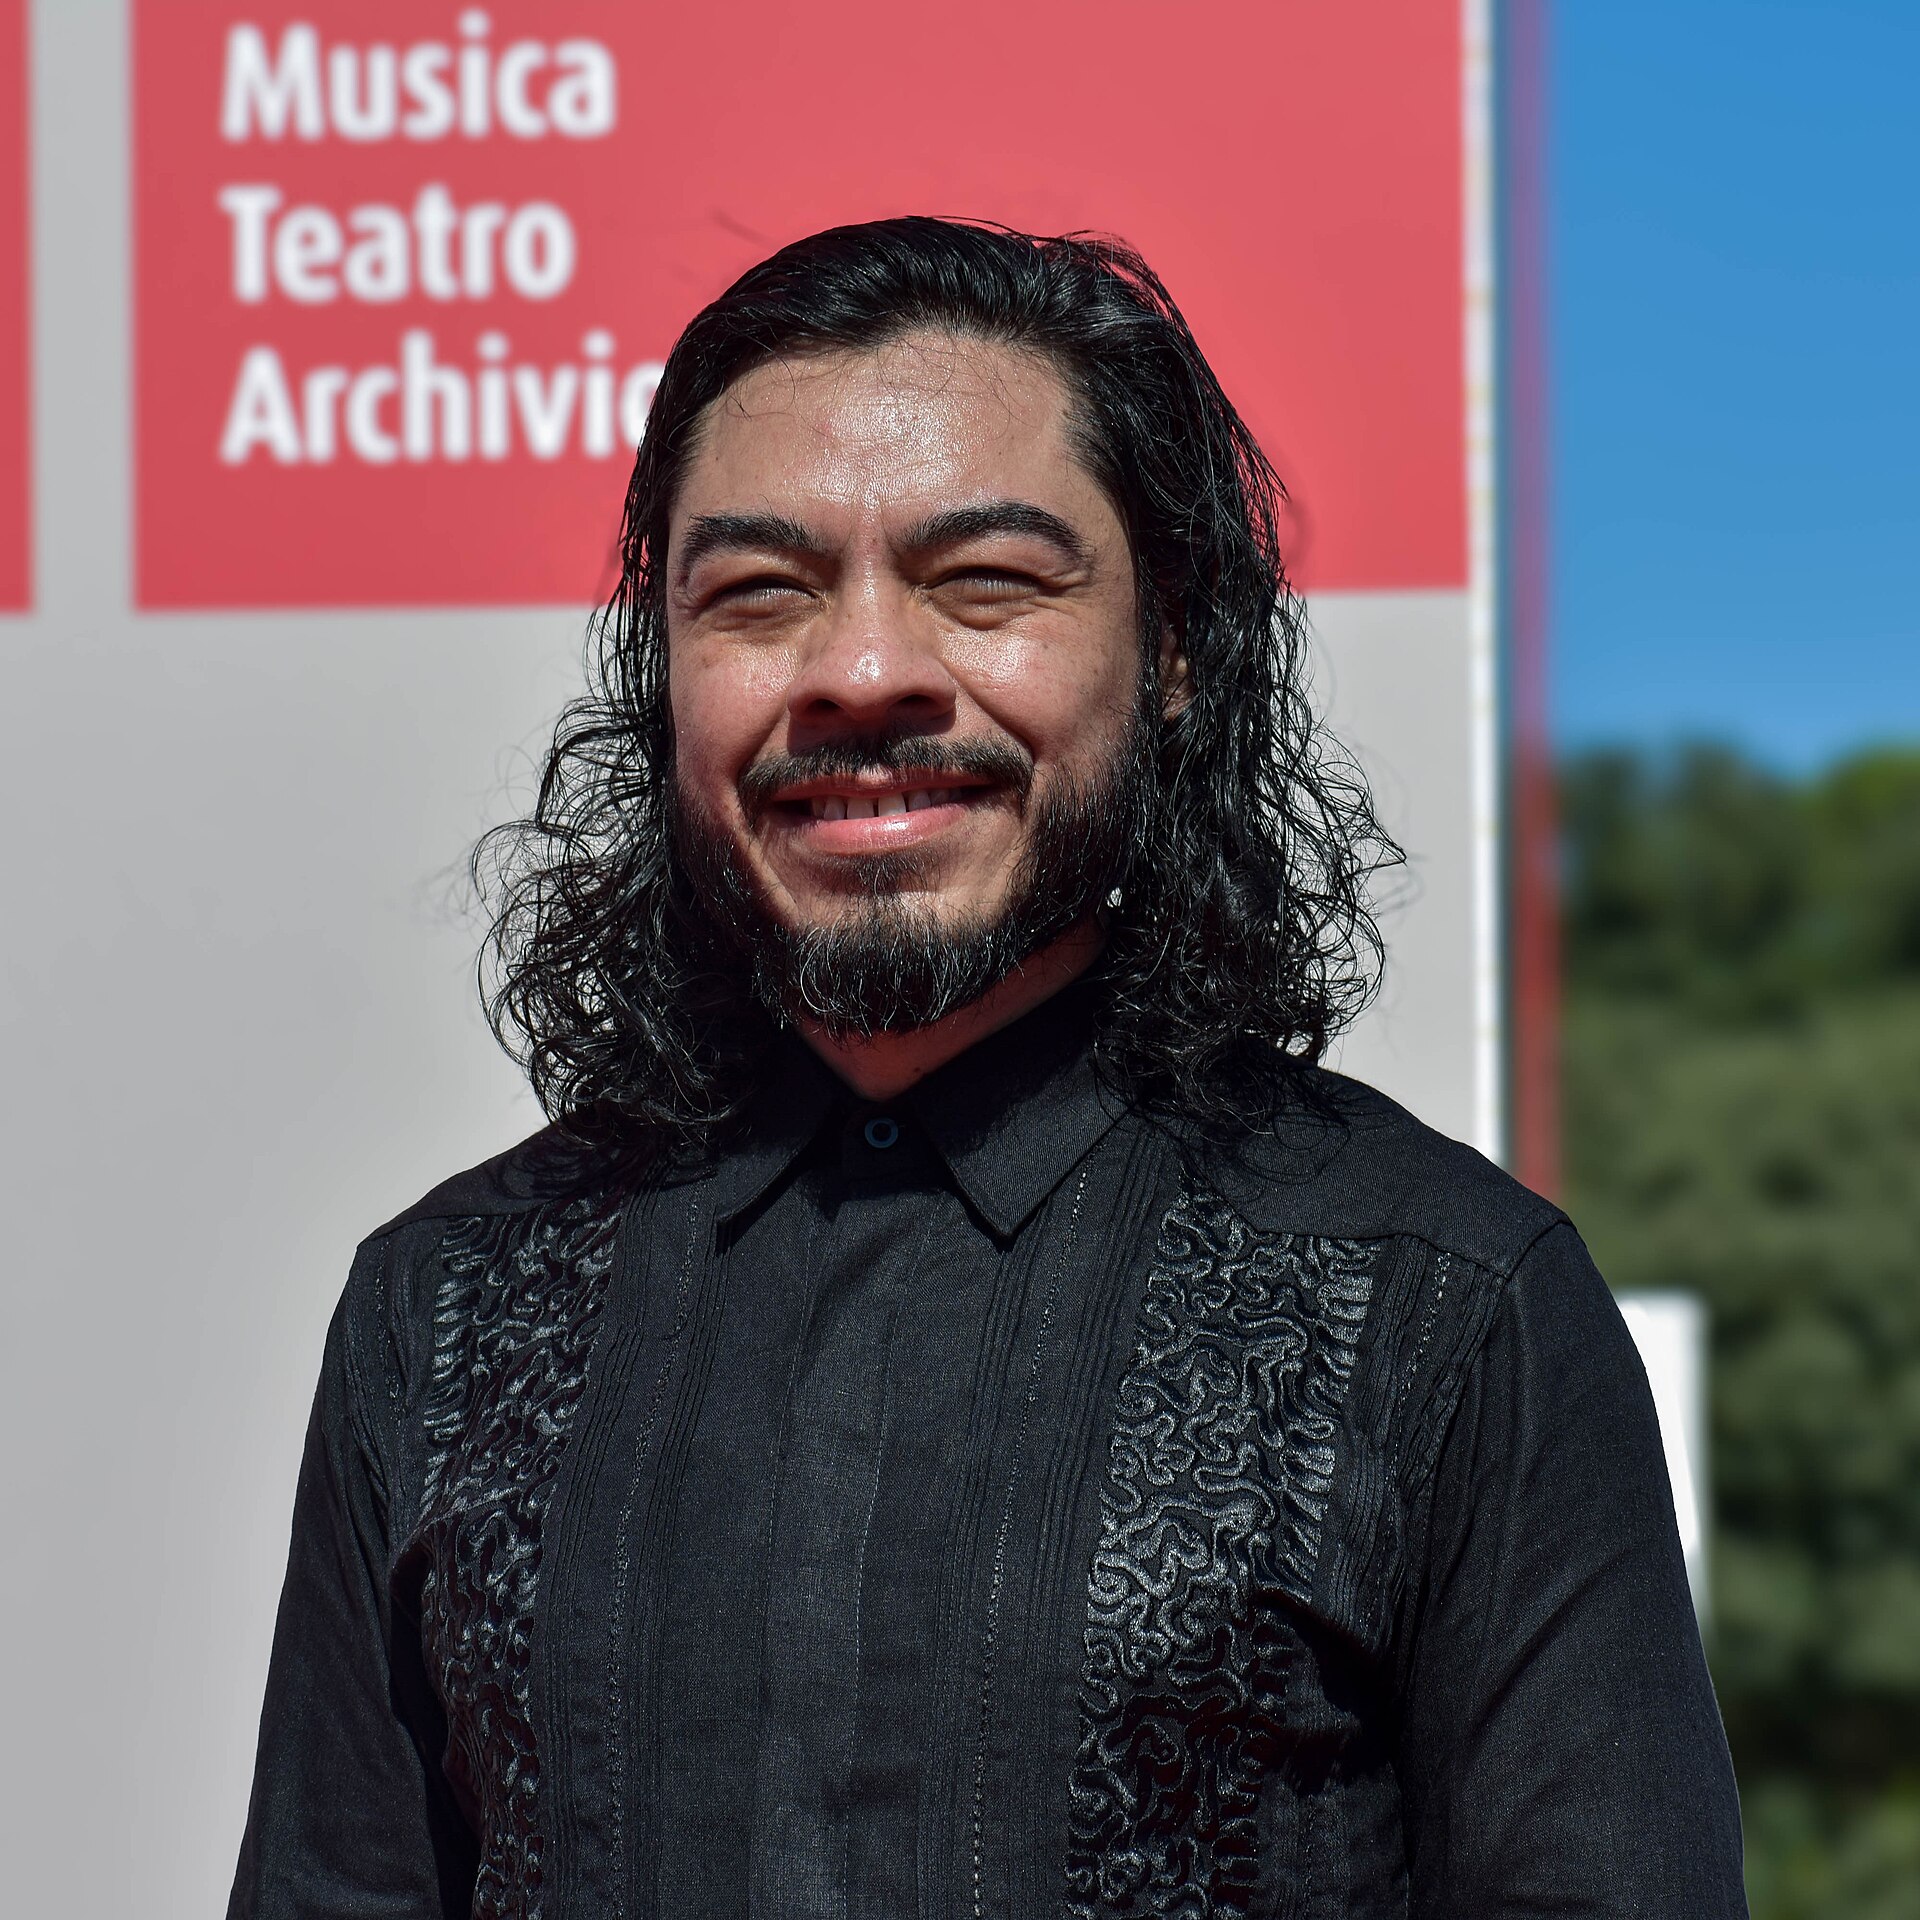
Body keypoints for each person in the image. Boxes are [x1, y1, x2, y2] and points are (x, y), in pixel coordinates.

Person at [228, 218, 1746, 1919]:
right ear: (661, 676)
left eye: (986, 582)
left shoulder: (1450, 1308)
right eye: (759, 593)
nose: (864, 672)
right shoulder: (444, 1310)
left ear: (1173, 651)